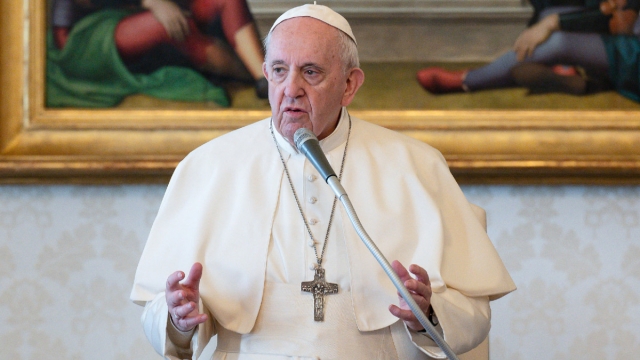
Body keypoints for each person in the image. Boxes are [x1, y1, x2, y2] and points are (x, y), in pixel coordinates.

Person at [131, 4, 516, 359]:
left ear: (350, 85)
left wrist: (428, 312)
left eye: (311, 72)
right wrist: (178, 317)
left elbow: (473, 313)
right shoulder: (209, 167)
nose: (291, 88)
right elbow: (159, 313)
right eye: (279, 70)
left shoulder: (416, 165)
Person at [47, 0, 267, 108]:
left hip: (132, 16)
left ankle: (262, 77)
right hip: (83, 40)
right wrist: (150, 1)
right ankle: (266, 77)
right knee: (175, 26)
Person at [416, 0, 640, 102]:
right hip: (626, 40)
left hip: (634, 55)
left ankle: (467, 80)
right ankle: (577, 76)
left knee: (558, 41)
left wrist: (555, 22)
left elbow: (620, 21)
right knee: (549, 14)